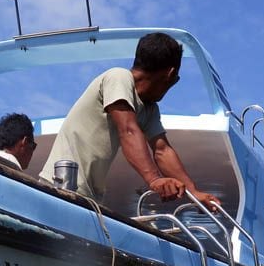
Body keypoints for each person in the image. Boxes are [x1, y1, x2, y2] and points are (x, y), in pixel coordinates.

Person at [38, 32, 220, 208]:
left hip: (88, 197)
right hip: (60, 187)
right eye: (176, 80)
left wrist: (193, 192)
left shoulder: (149, 108)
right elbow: (128, 130)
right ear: (170, 74)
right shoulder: (119, 77)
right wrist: (155, 179)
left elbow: (162, 149)